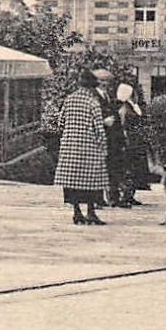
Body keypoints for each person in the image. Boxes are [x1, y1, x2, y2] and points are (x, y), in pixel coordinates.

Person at [55, 69, 109, 225]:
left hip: (69, 146)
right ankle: (91, 212)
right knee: (92, 181)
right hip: (88, 147)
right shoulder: (93, 102)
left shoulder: (69, 100)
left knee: (72, 181)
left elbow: (60, 122)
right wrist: (103, 147)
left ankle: (77, 212)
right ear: (91, 87)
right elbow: (98, 128)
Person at [116, 84, 149, 207]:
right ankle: (125, 195)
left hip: (136, 142)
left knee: (135, 169)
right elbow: (124, 126)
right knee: (128, 170)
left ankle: (130, 195)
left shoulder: (133, 107)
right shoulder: (125, 108)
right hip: (130, 142)